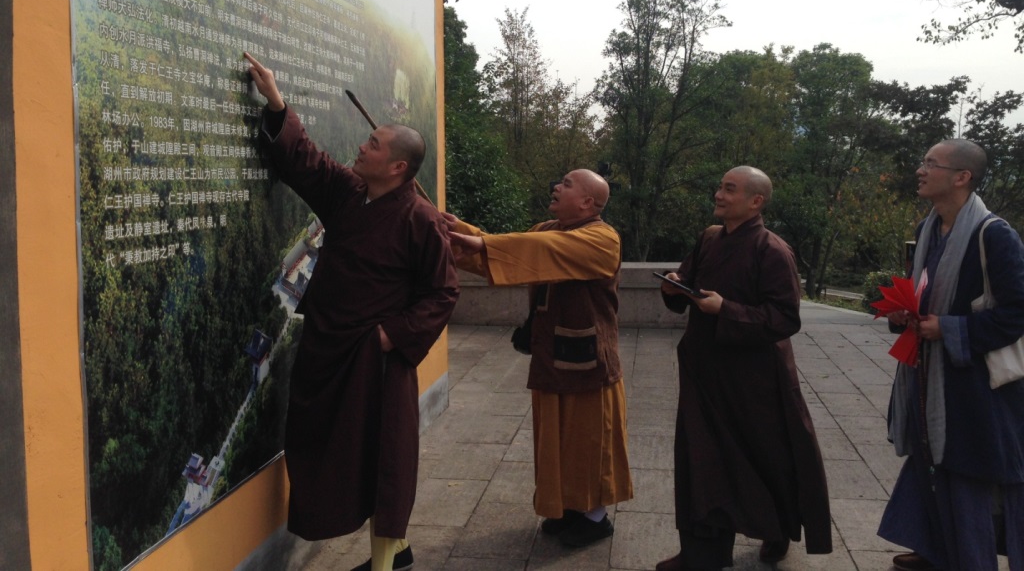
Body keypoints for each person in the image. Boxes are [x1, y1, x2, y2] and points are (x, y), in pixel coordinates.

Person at [244, 52, 460, 571]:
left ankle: (387, 558)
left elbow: (442, 293)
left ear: (397, 167)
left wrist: (391, 336)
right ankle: (397, 550)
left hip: (375, 357)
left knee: (384, 457)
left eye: (372, 145)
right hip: (329, 346)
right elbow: (306, 161)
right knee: (322, 448)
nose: (361, 148)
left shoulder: (420, 220)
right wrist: (276, 103)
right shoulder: (349, 192)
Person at [656, 166, 832, 571]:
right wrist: (675, 287)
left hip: (754, 380)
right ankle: (703, 553)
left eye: (729, 189)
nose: (718, 194)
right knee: (702, 460)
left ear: (756, 201)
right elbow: (689, 284)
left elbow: (785, 319)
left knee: (765, 460)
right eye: (719, 186)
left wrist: (727, 310)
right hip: (705, 371)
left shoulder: (772, 250)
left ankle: (777, 529)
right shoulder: (710, 238)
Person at [445, 169, 633, 548]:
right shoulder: (548, 226)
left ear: (587, 203)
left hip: (590, 359)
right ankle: (567, 508)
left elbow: (537, 251)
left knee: (588, 440)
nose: (555, 187)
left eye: (566, 184)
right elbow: (505, 253)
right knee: (555, 438)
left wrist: (484, 244)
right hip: (552, 353)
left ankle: (595, 517)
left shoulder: (602, 238)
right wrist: (453, 228)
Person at [877, 139, 1024, 571]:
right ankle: (937, 549)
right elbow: (923, 290)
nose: (921, 170)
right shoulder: (928, 228)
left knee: (967, 473)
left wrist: (951, 328)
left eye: (931, 164)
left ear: (962, 177)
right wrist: (906, 314)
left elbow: (1018, 312)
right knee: (932, 462)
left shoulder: (993, 234)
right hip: (930, 374)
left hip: (978, 385)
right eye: (922, 161)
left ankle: (971, 558)